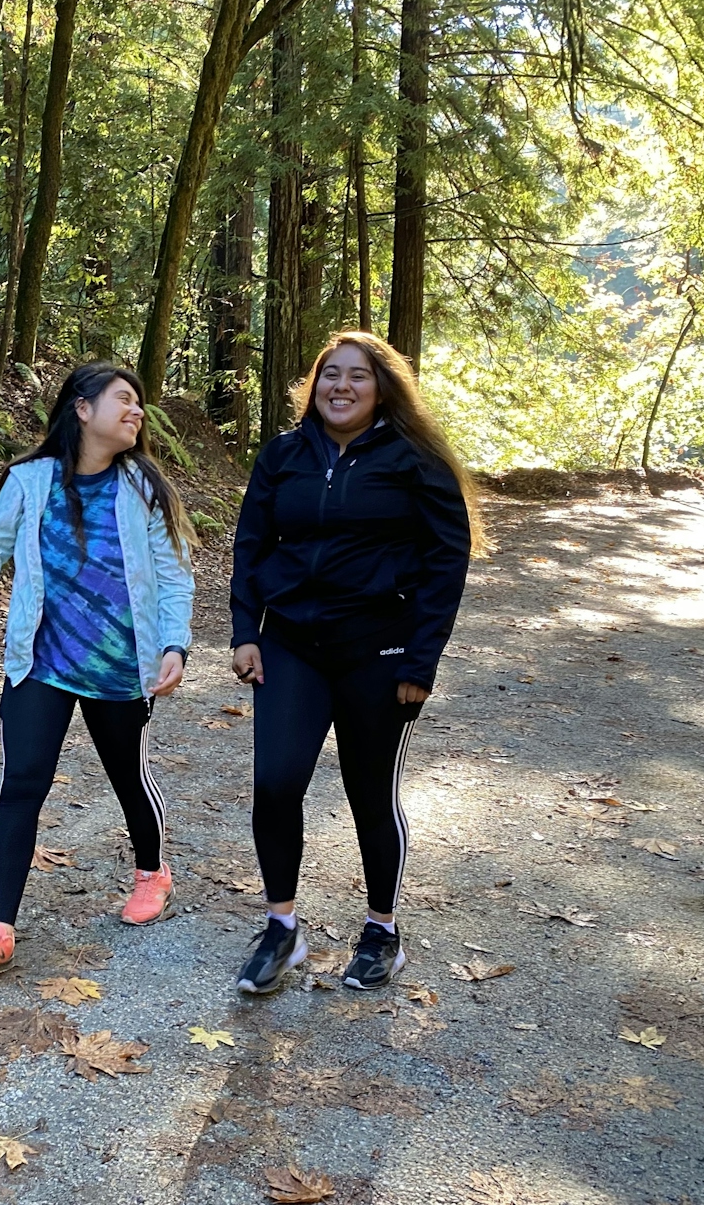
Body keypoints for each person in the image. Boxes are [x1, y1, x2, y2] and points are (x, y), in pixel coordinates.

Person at [0, 363, 195, 979]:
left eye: (140, 403)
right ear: (82, 409)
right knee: (23, 783)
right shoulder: (31, 481)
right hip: (43, 662)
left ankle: (152, 872)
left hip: (121, 665)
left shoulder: (143, 485)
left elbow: (173, 577)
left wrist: (175, 645)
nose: (137, 411)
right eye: (124, 400)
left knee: (128, 777)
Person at [230, 331, 483, 994]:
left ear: (383, 389)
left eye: (357, 377)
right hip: (290, 643)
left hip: (381, 650)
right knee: (276, 783)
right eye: (329, 375)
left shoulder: (414, 460)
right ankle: (281, 929)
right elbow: (251, 544)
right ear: (312, 387)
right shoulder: (283, 456)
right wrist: (243, 630)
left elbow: (445, 563)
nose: (340, 387)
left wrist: (420, 662)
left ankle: (382, 932)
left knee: (370, 793)